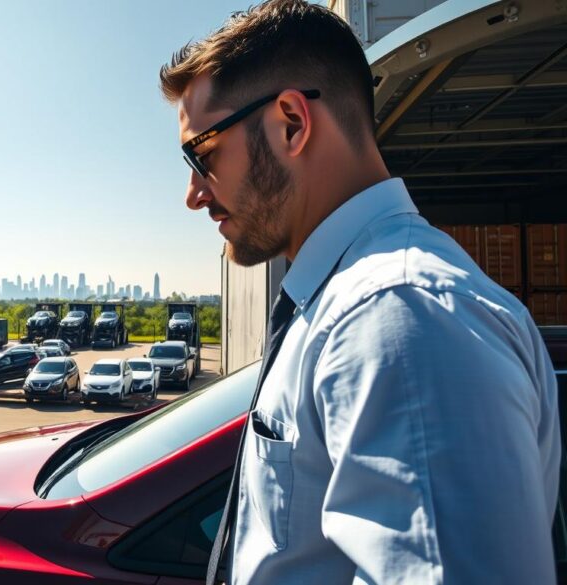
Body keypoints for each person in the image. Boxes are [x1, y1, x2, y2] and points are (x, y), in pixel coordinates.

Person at [158, 1, 560, 583]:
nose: (194, 193)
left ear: (291, 123)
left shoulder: (399, 318)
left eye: (203, 154)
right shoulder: (354, 303)